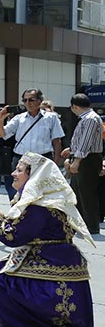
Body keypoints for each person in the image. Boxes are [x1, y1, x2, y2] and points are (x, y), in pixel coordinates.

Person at [0, 153, 94, 327]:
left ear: (34, 177)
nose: (13, 173)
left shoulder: (39, 207)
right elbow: (21, 227)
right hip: (56, 260)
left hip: (49, 265)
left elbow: (13, 237)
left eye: (19, 170)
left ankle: (36, 323)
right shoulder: (49, 200)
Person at [62, 93, 104, 235]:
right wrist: (72, 150)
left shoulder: (90, 119)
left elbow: (86, 142)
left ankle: (91, 225)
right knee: (76, 192)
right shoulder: (87, 118)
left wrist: (77, 160)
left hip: (87, 160)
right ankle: (79, 223)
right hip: (85, 157)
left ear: (75, 106)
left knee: (86, 194)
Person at [0, 88, 64, 164]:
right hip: (21, 159)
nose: (27, 103)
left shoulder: (51, 118)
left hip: (42, 159)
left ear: (40, 100)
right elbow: (1, 135)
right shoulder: (19, 118)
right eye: (25, 100)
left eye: (31, 100)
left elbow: (57, 142)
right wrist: (0, 119)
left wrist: (55, 163)